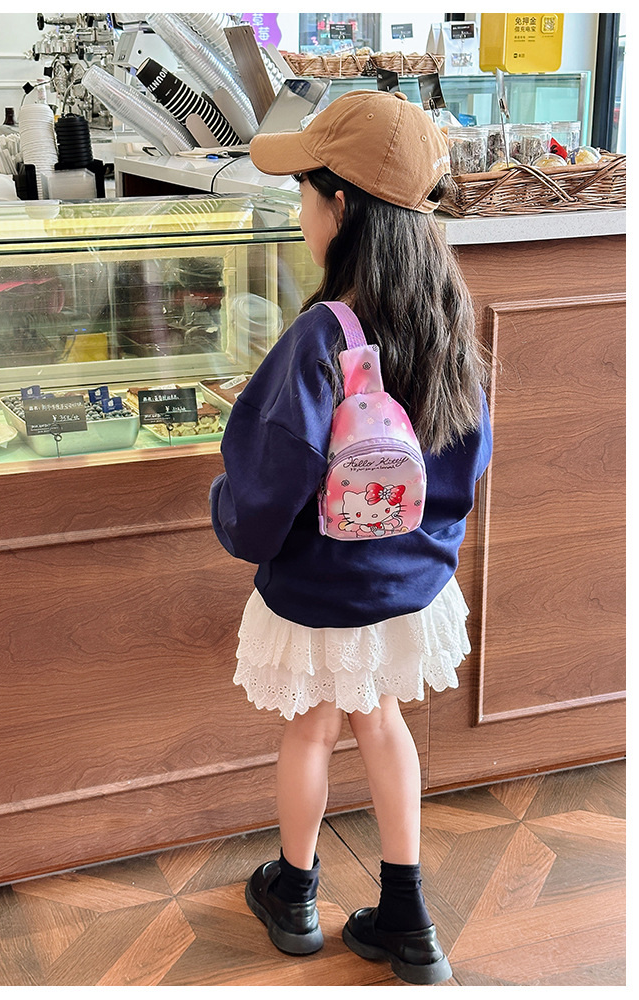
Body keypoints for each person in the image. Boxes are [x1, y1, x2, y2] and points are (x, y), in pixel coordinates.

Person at [208, 90, 492, 986]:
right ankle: (408, 920)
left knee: (310, 732)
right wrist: (416, 554)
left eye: (304, 193)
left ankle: (294, 894)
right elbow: (464, 466)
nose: (300, 212)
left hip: (319, 589)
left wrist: (228, 509)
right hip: (405, 587)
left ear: (341, 206)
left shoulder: (319, 338)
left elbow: (265, 493)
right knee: (385, 725)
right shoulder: (446, 319)